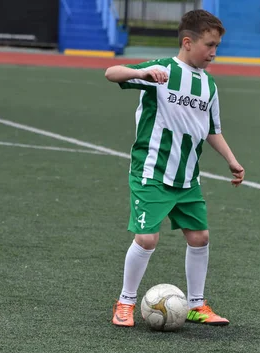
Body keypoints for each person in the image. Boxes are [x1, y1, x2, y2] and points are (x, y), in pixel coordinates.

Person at [104, 9, 245, 327]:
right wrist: (141, 73)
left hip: (187, 178)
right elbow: (111, 73)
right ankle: (125, 302)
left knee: (199, 237)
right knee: (147, 239)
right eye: (209, 45)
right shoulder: (162, 71)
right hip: (152, 173)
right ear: (187, 42)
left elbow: (212, 130)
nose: (213, 53)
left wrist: (231, 160)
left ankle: (196, 305)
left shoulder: (208, 85)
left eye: (217, 47)